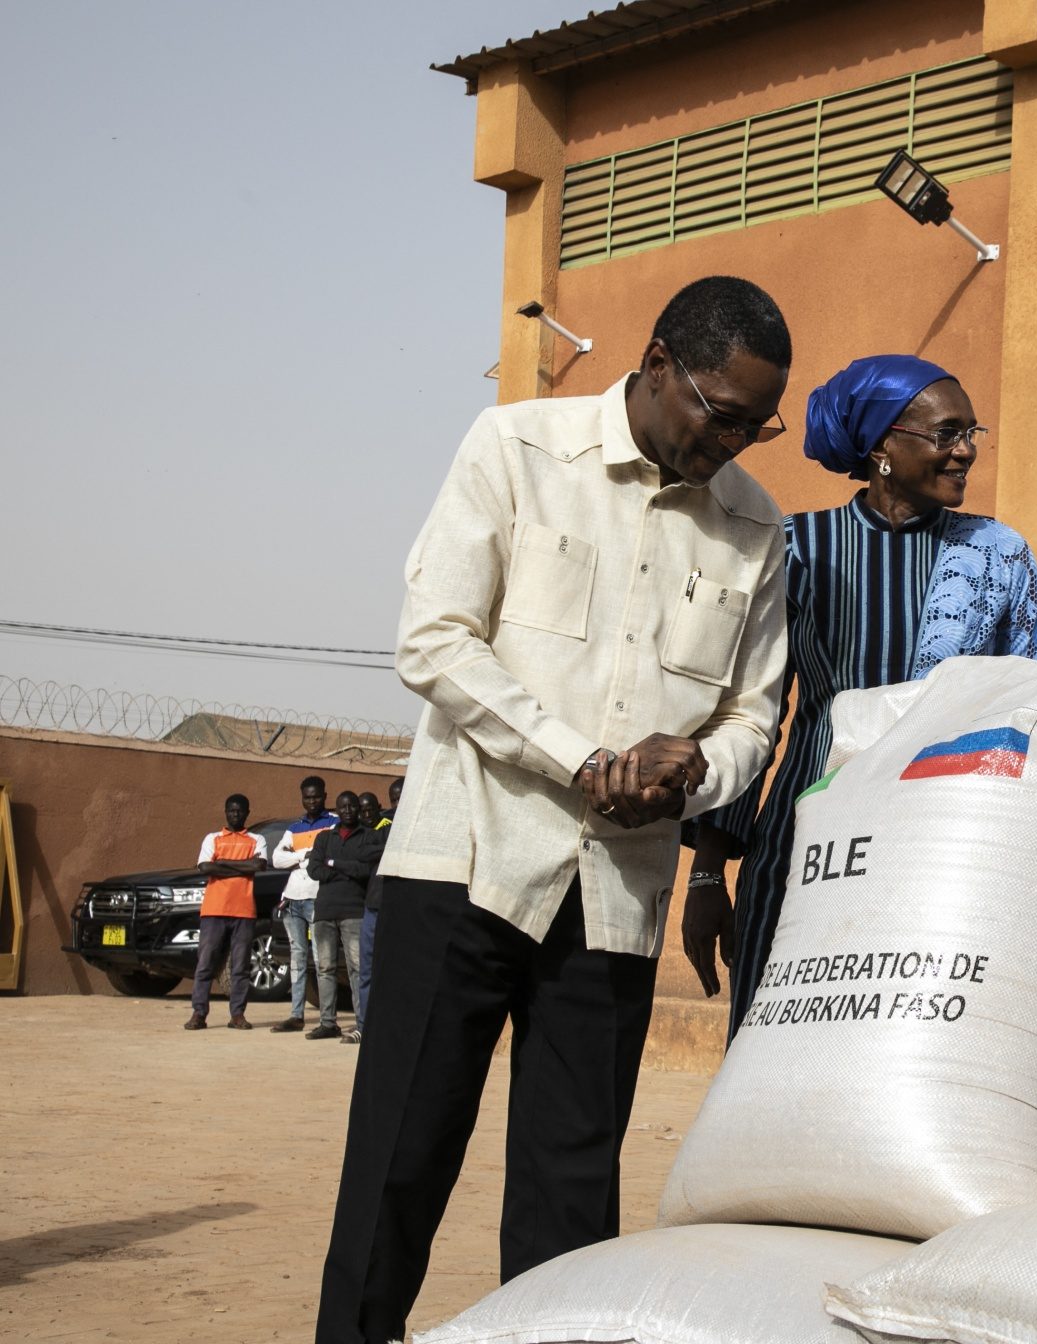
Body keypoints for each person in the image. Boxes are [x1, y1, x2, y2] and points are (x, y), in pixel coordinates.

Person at [318, 275, 792, 1344]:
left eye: (755, 425)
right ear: (660, 364)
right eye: (720, 415)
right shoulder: (515, 449)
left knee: (570, 1205)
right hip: (466, 865)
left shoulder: (756, 530)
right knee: (398, 1167)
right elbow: (434, 640)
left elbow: (751, 718)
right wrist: (583, 760)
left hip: (613, 901)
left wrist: (694, 772)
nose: (732, 443)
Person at [684, 354, 1037, 1037]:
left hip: (941, 864)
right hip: (801, 857)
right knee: (770, 1068)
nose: (966, 450)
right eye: (947, 434)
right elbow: (750, 715)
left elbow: (1036, 719)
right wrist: (709, 875)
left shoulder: (1001, 557)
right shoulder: (795, 549)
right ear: (883, 446)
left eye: (971, 432)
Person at [185, 793, 269, 1030]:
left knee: (240, 965)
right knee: (206, 962)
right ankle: (199, 1013)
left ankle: (238, 1014)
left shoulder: (256, 839)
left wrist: (222, 865)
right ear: (225, 812)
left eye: (240, 811)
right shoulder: (213, 838)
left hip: (244, 910)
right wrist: (243, 867)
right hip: (214, 909)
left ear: (247, 813)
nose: (235, 815)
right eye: (231, 811)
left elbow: (259, 865)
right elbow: (204, 866)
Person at [306, 791, 381, 1043]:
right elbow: (314, 870)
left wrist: (333, 863)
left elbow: (364, 870)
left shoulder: (368, 837)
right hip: (325, 911)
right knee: (324, 967)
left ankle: (363, 1023)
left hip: (354, 912)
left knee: (358, 968)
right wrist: (342, 867)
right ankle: (328, 1022)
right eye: (343, 806)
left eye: (352, 806)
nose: (348, 810)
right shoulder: (325, 837)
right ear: (336, 810)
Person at [270, 775, 339, 1033]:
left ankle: (326, 1019)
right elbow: (276, 859)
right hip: (292, 899)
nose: (312, 801)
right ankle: (296, 1015)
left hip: (317, 898)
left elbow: (328, 855)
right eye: (307, 797)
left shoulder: (333, 823)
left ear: (324, 796)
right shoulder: (295, 827)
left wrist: (305, 858)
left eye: (316, 796)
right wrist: (303, 856)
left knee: (322, 959)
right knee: (297, 959)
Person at [353, 791, 390, 1042]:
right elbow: (360, 854)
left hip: (391, 908)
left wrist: (375, 849)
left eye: (370, 809)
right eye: (362, 811)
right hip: (371, 907)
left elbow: (392, 847)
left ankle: (386, 1025)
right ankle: (364, 1025)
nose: (367, 815)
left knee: (388, 970)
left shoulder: (390, 826)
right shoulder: (360, 832)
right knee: (365, 969)